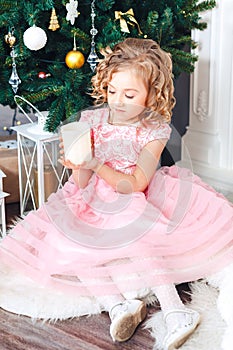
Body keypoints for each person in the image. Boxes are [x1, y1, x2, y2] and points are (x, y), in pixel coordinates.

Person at [0, 38, 232, 350]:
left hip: (132, 192)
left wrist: (95, 163)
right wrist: (77, 163)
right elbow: (80, 183)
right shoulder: (92, 120)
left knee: (132, 226)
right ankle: (117, 306)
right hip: (93, 196)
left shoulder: (154, 129)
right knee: (68, 235)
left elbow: (136, 183)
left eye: (130, 94)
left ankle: (176, 309)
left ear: (151, 95)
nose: (118, 101)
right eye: (112, 91)